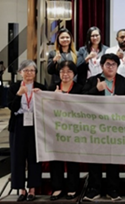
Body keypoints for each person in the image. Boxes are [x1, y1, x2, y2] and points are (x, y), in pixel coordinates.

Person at [82, 54, 125, 201]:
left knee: (113, 157)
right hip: (96, 125)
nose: (110, 67)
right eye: (107, 64)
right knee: (95, 157)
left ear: (117, 66)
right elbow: (81, 99)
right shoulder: (93, 80)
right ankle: (94, 189)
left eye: (113, 65)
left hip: (116, 126)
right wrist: (96, 89)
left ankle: (113, 189)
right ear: (102, 66)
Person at [8, 60, 46, 201]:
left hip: (35, 124)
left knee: (34, 157)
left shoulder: (41, 87)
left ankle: (32, 189)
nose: (29, 73)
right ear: (20, 73)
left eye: (32, 70)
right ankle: (21, 190)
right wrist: (19, 95)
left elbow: (46, 107)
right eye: (26, 70)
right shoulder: (14, 87)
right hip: (18, 124)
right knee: (17, 157)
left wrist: (42, 95)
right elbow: (12, 108)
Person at [48, 61, 82, 200]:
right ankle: (57, 187)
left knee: (73, 158)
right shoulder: (52, 88)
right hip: (55, 129)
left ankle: (73, 188)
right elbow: (45, 107)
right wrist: (53, 98)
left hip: (74, 129)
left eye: (69, 72)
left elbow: (83, 108)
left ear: (74, 74)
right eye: (62, 71)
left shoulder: (79, 88)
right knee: (56, 158)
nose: (65, 74)